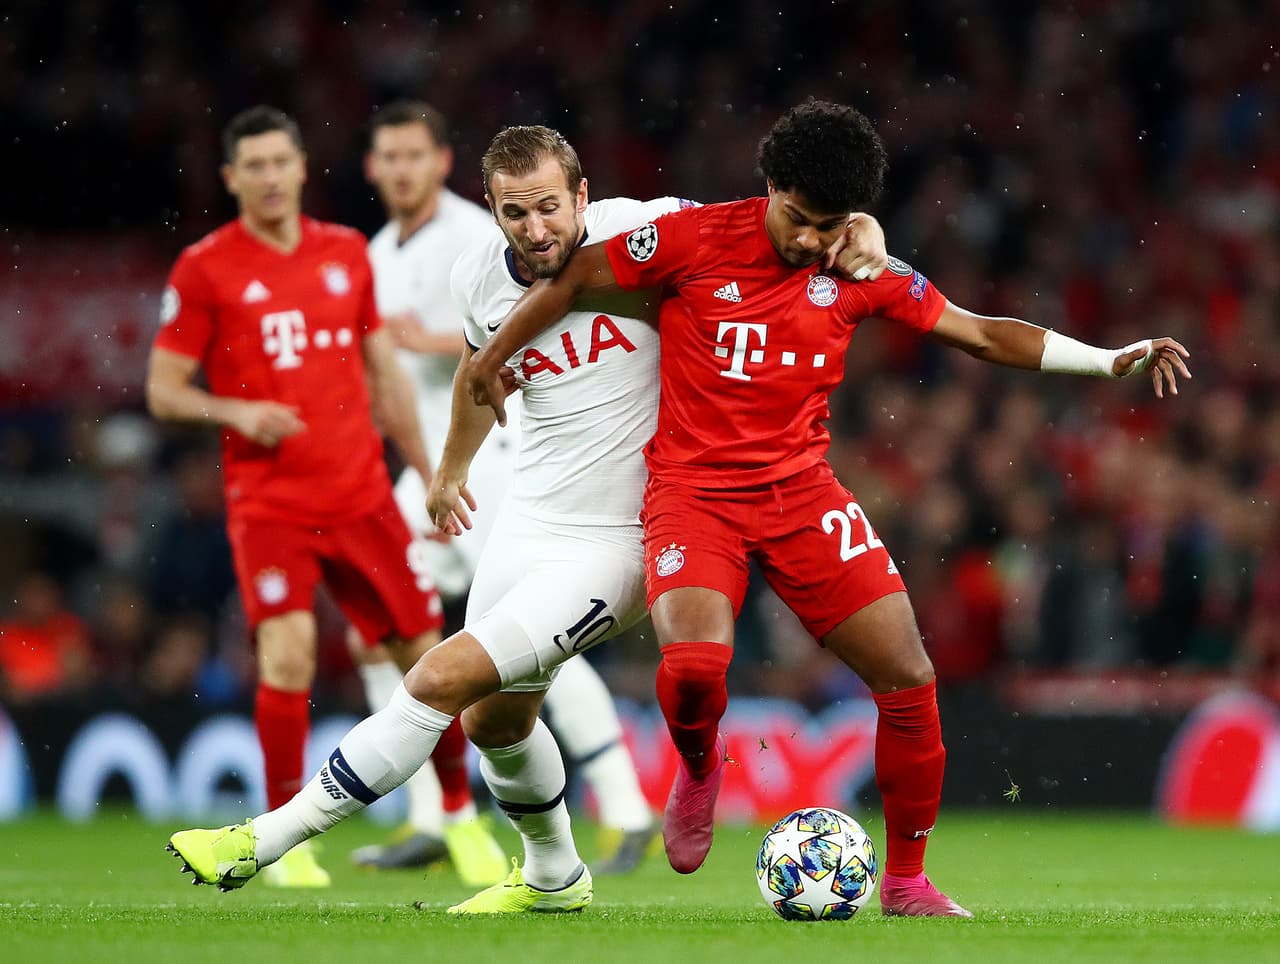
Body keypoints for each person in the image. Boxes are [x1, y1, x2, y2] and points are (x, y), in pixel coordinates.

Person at [462, 100, 1193, 917]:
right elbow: (569, 282)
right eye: (800, 219)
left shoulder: (858, 265)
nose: (812, 239)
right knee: (698, 668)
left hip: (801, 495)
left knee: (910, 677)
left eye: (830, 223)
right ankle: (700, 767)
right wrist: (490, 358)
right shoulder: (695, 240)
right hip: (694, 495)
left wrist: (1107, 361)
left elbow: (981, 333)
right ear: (771, 185)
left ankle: (909, 882)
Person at [163, 123, 890, 913]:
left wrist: (865, 228)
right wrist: (449, 470)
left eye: (550, 207)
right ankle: (553, 876)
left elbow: (774, 219)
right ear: (495, 211)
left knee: (439, 674)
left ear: (583, 197)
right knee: (493, 721)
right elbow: (482, 376)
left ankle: (262, 840)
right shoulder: (478, 277)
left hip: (627, 539)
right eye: (516, 213)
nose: (536, 228)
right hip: (527, 523)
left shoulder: (644, 230)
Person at [145, 105, 480, 888]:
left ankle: (460, 815)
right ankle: (282, 840)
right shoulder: (204, 266)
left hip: (361, 492)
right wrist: (232, 410)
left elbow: (385, 378)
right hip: (270, 502)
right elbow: (162, 390)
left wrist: (432, 471)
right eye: (251, 166)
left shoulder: (344, 254)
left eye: (279, 162)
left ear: (302, 168)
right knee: (287, 655)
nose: (267, 177)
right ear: (230, 178)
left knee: (425, 654)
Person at [353, 100, 658, 876]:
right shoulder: (377, 253)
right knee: (383, 627)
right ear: (370, 167)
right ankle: (438, 811)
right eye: (387, 157)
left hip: (512, 466)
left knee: (522, 643)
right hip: (428, 468)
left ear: (441, 162)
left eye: (414, 155)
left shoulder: (481, 230)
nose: (401, 170)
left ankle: (622, 805)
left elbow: (475, 356)